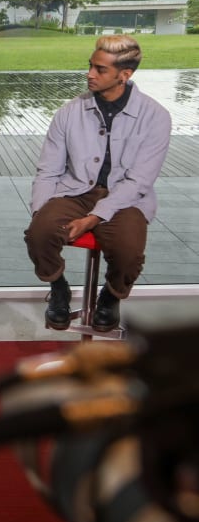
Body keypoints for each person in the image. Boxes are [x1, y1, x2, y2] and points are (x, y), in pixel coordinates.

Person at [24, 35, 171, 333]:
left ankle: (111, 295)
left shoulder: (156, 117)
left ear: (124, 75)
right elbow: (48, 171)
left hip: (126, 198)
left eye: (100, 69)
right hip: (75, 192)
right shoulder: (68, 112)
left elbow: (139, 181)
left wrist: (93, 218)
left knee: (128, 253)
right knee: (38, 234)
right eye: (90, 65)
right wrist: (40, 212)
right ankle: (59, 288)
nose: (90, 74)